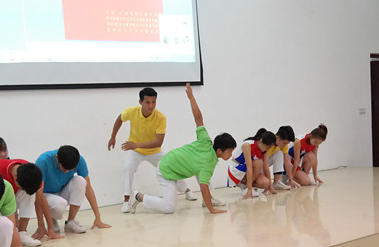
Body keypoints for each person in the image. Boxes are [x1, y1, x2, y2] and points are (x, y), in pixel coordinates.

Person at [130, 84, 237, 214]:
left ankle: (208, 200)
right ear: (219, 151)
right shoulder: (207, 164)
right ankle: (138, 196)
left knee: (204, 174)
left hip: (172, 162)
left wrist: (191, 98)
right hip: (166, 170)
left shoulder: (206, 140)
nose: (231, 155)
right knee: (169, 208)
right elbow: (203, 188)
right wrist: (212, 210)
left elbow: (198, 119)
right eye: (229, 152)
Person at [108, 87, 197, 213]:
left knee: (171, 167)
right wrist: (113, 137)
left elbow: (158, 142)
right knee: (127, 167)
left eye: (153, 102)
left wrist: (136, 145)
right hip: (135, 150)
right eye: (147, 102)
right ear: (140, 102)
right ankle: (126, 201)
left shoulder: (161, 117)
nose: (151, 106)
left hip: (154, 151)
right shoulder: (131, 111)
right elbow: (119, 119)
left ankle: (186, 190)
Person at [35, 146, 111, 234]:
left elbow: (88, 189)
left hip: (61, 192)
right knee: (60, 205)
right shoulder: (43, 161)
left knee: (81, 181)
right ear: (57, 158)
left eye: (70, 170)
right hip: (45, 196)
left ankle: (70, 222)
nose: (66, 172)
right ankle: (51, 219)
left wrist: (98, 217)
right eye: (64, 169)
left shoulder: (80, 160)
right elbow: (38, 194)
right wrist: (41, 225)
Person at [0, 158, 49, 247]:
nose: (21, 189)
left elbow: (39, 199)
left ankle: (22, 233)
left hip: (13, 199)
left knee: (29, 194)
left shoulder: (32, 173)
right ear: (15, 176)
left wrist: (41, 225)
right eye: (22, 187)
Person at [227, 129, 276, 198]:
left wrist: (270, 186)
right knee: (259, 163)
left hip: (246, 170)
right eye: (267, 147)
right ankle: (247, 187)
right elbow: (249, 167)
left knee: (266, 182)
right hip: (236, 169)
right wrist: (249, 189)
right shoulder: (247, 145)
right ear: (261, 142)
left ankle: (246, 186)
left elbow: (266, 168)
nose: (267, 149)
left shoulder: (264, 151)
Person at [264, 126, 297, 190]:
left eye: (286, 144)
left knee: (279, 153)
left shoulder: (283, 144)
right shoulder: (268, 139)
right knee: (263, 182)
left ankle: (276, 182)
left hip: (265, 162)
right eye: (284, 143)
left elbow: (287, 161)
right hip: (257, 164)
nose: (285, 145)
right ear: (277, 138)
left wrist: (291, 179)